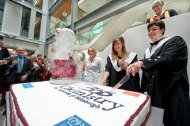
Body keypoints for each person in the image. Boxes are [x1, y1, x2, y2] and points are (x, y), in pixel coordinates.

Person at [126, 20, 190, 126]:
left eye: (154, 29)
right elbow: (148, 76)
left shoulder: (176, 41)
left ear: (163, 30)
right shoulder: (148, 51)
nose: (150, 32)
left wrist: (142, 62)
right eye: (149, 30)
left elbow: (167, 58)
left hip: (172, 95)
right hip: (155, 97)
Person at [0, 39, 10, 105]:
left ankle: (2, 99)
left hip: (3, 72)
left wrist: (5, 60)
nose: (2, 42)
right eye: (1, 42)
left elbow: (8, 56)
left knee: (2, 86)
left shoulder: (4, 50)